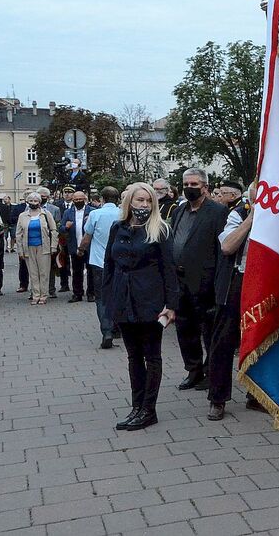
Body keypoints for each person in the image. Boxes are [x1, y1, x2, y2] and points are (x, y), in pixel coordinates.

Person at [103, 182, 178, 431]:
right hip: (123, 299)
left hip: (150, 301)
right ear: (129, 203)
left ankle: (149, 409)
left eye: (148, 201)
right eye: (139, 200)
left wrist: (171, 305)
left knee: (151, 356)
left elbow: (169, 270)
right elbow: (109, 266)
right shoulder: (118, 227)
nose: (144, 205)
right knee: (133, 356)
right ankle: (137, 407)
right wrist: (109, 301)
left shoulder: (160, 230)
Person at [169, 168, 228, 391]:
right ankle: (193, 370)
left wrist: (218, 283)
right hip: (180, 281)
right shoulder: (179, 211)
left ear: (205, 187)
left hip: (205, 281)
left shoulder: (217, 211)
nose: (189, 188)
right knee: (184, 329)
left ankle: (211, 372)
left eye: (194, 184)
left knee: (209, 331)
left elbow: (221, 248)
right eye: (186, 184)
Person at [207, 183, 255, 420]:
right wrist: (252, 218)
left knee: (261, 339)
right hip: (237, 281)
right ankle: (218, 398)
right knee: (223, 342)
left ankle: (258, 393)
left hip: (265, 283)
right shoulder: (238, 214)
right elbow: (227, 246)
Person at [79, 187, 121, 349]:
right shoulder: (123, 214)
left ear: (102, 199)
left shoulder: (95, 215)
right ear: (117, 199)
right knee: (118, 295)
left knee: (102, 298)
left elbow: (87, 237)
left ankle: (107, 331)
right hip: (119, 261)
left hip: (99, 262)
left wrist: (80, 249)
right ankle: (118, 328)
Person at [15, 192, 57, 305]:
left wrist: (53, 246)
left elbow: (53, 230)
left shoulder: (46, 214)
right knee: (33, 272)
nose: (34, 203)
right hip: (28, 247)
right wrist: (19, 250)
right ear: (28, 202)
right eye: (31, 201)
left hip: (44, 246)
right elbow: (18, 234)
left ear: (39, 202)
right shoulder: (22, 216)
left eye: (36, 201)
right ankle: (35, 294)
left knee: (43, 272)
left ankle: (44, 295)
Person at [60, 191, 95, 302]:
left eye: (81, 199)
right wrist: (66, 227)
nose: (78, 201)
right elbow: (60, 228)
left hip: (89, 246)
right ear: (73, 200)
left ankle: (91, 293)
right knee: (76, 271)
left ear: (85, 199)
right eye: (76, 199)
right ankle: (77, 293)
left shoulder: (92, 211)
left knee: (91, 271)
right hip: (74, 245)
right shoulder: (67, 212)